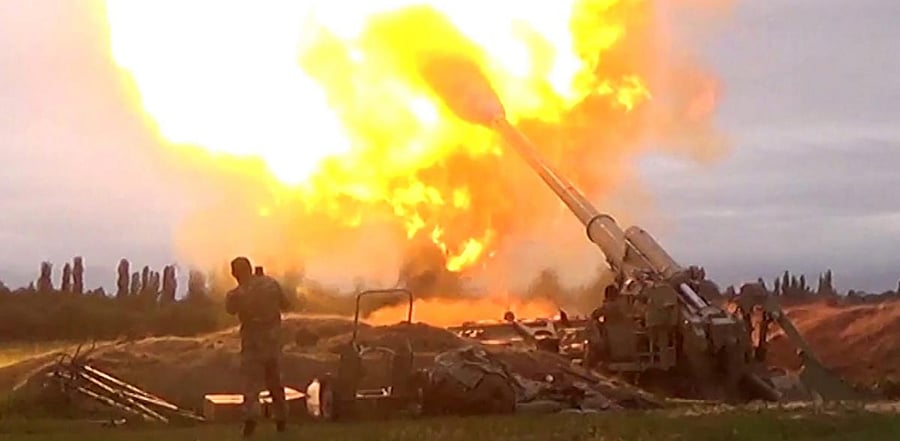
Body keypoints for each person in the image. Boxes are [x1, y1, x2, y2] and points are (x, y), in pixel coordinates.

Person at [225, 257, 290, 437]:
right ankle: (281, 420)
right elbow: (286, 304)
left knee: (251, 384)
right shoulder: (271, 283)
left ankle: (251, 421)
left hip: (253, 342)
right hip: (272, 340)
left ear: (236, 273)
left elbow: (230, 309)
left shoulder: (237, 293)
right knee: (275, 382)